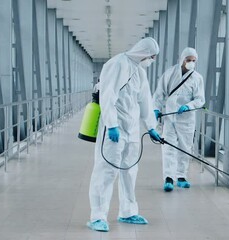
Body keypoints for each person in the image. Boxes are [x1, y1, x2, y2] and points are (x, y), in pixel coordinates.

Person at [87, 37, 162, 232]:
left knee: (129, 171)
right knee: (107, 171)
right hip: (115, 128)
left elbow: (145, 100)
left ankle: (128, 212)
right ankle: (97, 216)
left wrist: (151, 127)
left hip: (132, 129)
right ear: (144, 53)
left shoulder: (140, 71)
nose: (152, 60)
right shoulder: (117, 64)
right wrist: (111, 124)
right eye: (151, 56)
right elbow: (107, 94)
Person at [153, 47, 205, 192]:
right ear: (182, 59)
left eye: (194, 61)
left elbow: (200, 99)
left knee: (185, 147)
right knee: (168, 147)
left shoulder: (197, 78)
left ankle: (181, 176)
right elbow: (159, 93)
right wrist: (156, 109)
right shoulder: (170, 73)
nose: (191, 63)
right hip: (169, 117)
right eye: (188, 60)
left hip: (187, 119)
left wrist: (188, 106)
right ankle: (169, 178)